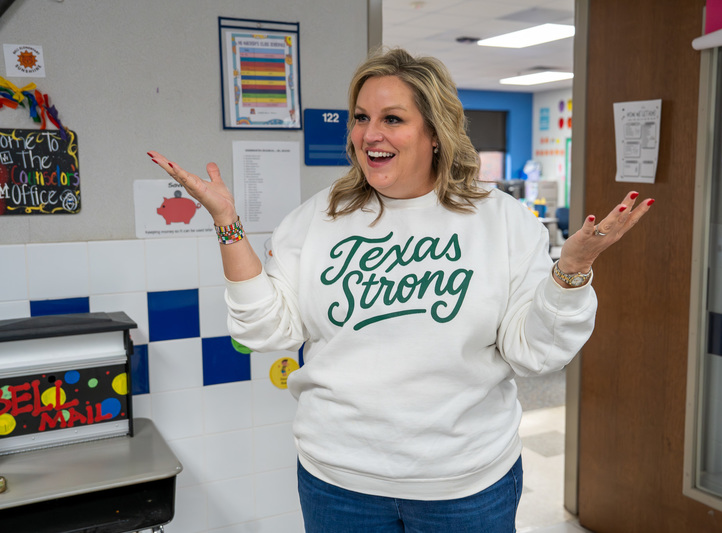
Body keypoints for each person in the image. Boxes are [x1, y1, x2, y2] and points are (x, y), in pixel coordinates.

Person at [149, 48, 653, 533]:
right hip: (339, 482)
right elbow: (265, 329)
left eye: (392, 118)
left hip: (465, 485)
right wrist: (227, 224)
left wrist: (571, 269)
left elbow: (534, 350)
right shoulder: (318, 219)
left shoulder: (502, 221)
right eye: (360, 116)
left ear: (435, 132)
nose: (370, 134)